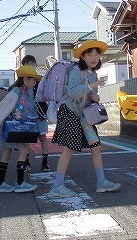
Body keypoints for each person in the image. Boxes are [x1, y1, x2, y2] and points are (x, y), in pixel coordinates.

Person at [49, 40, 120, 197]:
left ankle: (101, 182)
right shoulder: (76, 70)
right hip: (70, 112)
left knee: (95, 146)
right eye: (90, 54)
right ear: (82, 56)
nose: (94, 58)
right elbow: (73, 92)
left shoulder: (93, 74)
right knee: (69, 148)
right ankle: (57, 186)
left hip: (84, 116)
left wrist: (96, 97)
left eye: (96, 54)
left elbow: (89, 94)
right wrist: (91, 86)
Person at [0, 66, 41, 193]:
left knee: (7, 153)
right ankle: (20, 183)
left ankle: (1, 183)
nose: (35, 82)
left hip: (12, 127)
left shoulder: (23, 91)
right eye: (33, 80)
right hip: (15, 127)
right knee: (24, 150)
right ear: (25, 79)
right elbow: (5, 106)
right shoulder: (17, 91)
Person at [21, 54, 51, 172]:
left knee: (43, 138)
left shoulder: (40, 80)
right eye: (27, 64)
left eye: (32, 64)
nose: (30, 66)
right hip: (26, 116)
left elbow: (48, 94)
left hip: (40, 114)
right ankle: (26, 162)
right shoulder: (21, 82)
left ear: (36, 65)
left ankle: (45, 162)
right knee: (26, 141)